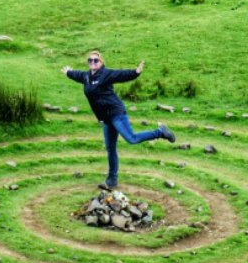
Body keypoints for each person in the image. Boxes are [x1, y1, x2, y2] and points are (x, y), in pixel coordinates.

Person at [62, 50, 176, 190]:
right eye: (90, 60)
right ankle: (112, 180)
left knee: (131, 138)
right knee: (111, 149)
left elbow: (120, 75)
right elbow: (76, 75)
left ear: (101, 62)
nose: (92, 62)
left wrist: (135, 72)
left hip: (116, 113)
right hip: (106, 118)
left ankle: (160, 132)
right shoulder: (86, 76)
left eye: (95, 60)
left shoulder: (106, 74)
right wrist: (68, 72)